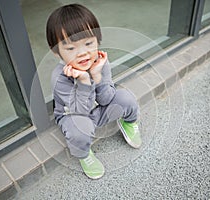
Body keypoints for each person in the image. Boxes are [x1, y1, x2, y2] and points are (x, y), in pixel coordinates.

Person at [46, 3, 141, 179]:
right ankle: (84, 154)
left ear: (97, 40)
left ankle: (129, 123)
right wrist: (83, 81)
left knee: (125, 98)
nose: (82, 53)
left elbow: (107, 99)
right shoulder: (59, 78)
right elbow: (80, 112)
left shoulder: (99, 62)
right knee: (80, 130)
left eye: (88, 43)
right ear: (56, 51)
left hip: (97, 110)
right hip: (73, 115)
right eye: (71, 48)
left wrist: (97, 76)